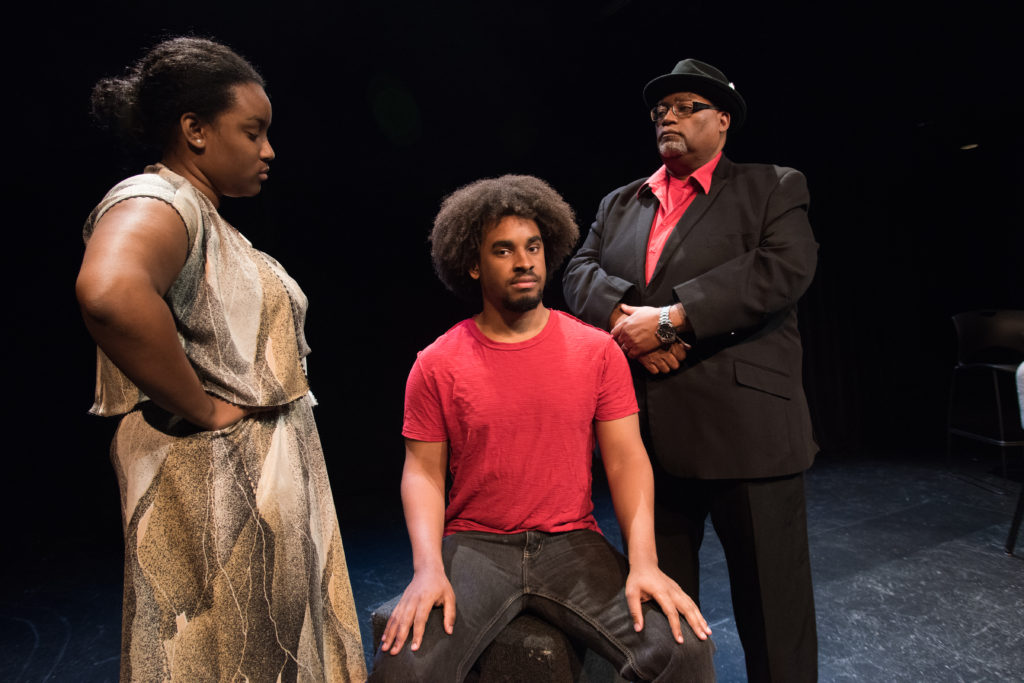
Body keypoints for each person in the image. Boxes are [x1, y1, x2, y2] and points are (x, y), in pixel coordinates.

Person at [76, 37, 366, 682]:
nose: (269, 151)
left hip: (249, 499)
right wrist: (204, 408)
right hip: (217, 501)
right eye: (253, 131)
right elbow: (111, 294)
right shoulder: (161, 200)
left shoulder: (205, 217)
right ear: (195, 130)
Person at [370, 175, 716, 682]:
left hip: (571, 543)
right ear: (473, 264)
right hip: (476, 546)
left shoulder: (595, 351)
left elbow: (625, 459)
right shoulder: (437, 363)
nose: (524, 261)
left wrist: (644, 561)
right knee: (406, 667)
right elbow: (422, 472)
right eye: (503, 250)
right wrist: (427, 569)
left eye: (533, 246)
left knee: (682, 650)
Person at [562, 59, 819, 682]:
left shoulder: (772, 186)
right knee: (664, 619)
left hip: (748, 436)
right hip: (650, 441)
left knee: (774, 619)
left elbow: (782, 270)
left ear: (723, 122)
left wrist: (674, 319)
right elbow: (577, 271)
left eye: (686, 106)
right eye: (661, 110)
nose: (668, 116)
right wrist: (631, 323)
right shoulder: (620, 202)